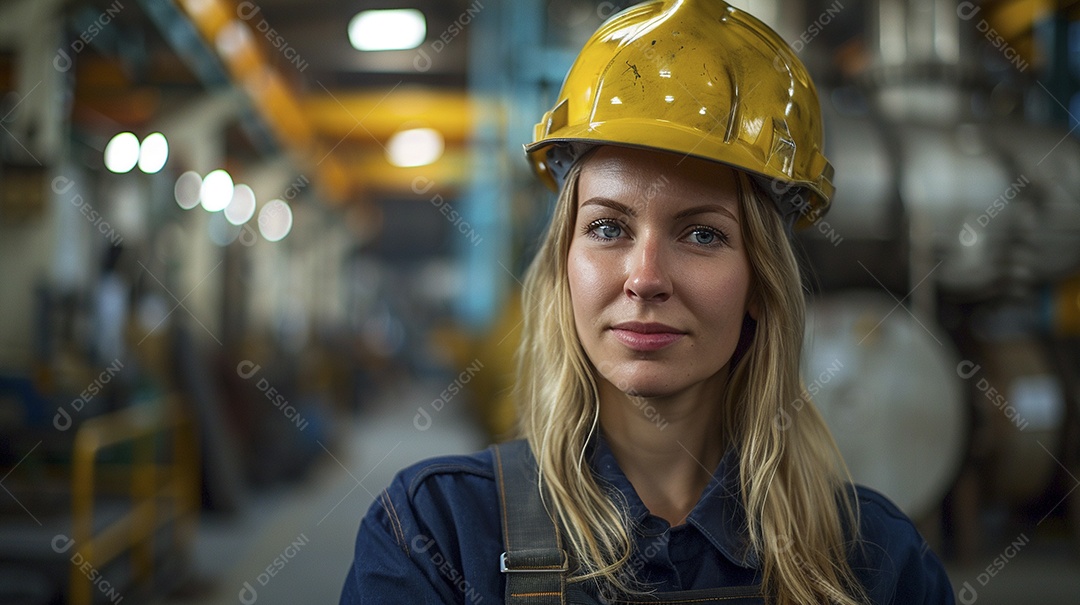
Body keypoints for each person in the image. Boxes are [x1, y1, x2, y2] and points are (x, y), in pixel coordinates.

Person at [340, 1, 955, 603]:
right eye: (608, 227)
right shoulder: (436, 538)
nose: (645, 278)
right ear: (564, 265)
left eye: (702, 234)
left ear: (761, 283)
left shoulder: (878, 560)